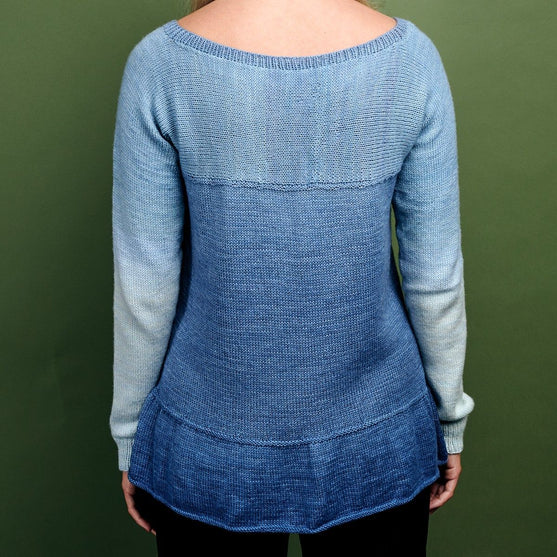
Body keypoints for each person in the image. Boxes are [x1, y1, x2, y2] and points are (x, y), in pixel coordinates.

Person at [109, 0, 476, 555]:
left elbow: (145, 283)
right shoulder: (410, 60)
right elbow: (435, 277)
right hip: (379, 439)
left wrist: (134, 438)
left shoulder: (160, 64)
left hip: (208, 450)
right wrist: (448, 420)